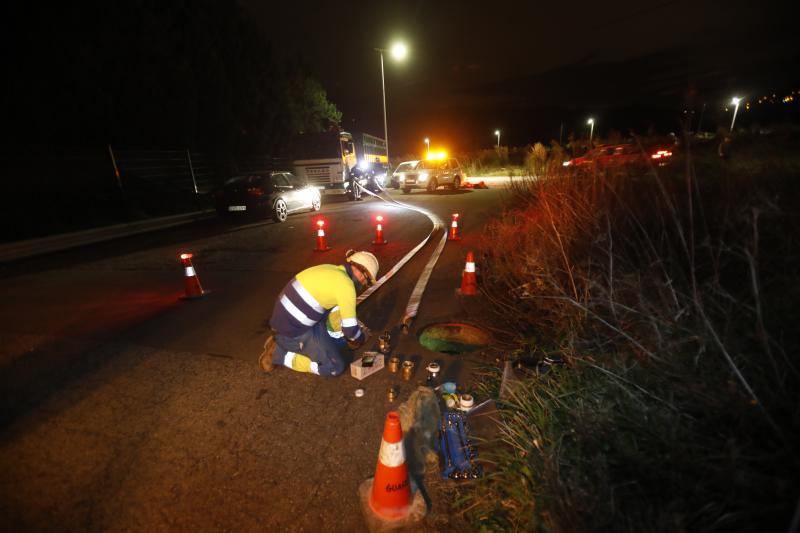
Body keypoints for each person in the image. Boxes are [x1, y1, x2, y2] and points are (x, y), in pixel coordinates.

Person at [258, 250, 379, 377]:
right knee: (335, 367)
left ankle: (285, 340)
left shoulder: (332, 270)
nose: (364, 285)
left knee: (337, 327)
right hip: (294, 328)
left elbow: (335, 312)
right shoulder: (347, 286)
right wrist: (360, 337)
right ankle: (279, 353)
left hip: (285, 317)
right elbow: (350, 331)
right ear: (362, 275)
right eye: (367, 281)